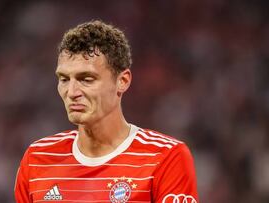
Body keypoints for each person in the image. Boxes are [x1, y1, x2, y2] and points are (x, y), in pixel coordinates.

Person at [14, 20, 198, 203]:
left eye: (86, 79)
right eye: (64, 79)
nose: (71, 92)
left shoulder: (166, 158)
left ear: (122, 81)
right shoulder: (37, 158)